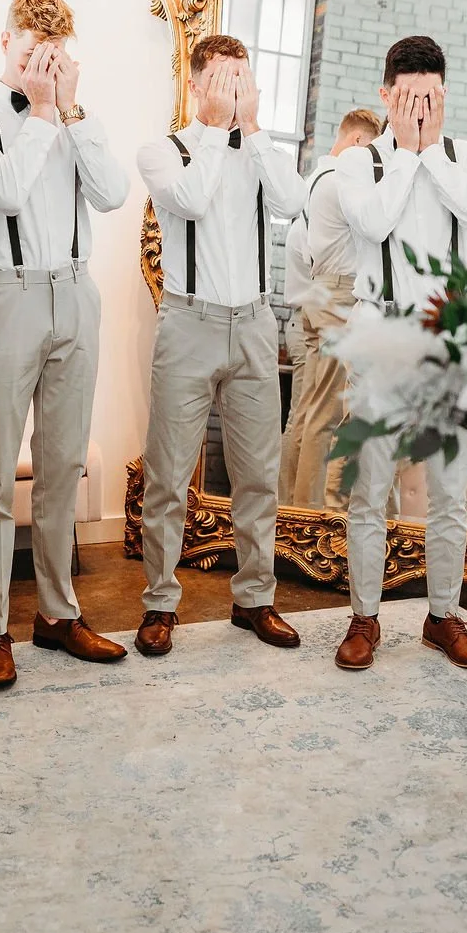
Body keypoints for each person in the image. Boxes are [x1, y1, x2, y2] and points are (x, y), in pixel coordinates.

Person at [0, 0, 129, 690]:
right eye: (29, 54)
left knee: (61, 468)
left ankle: (57, 613)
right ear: (5, 43)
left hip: (75, 293)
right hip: (7, 295)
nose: (39, 69)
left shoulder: (75, 116)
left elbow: (110, 194)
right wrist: (44, 114)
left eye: (52, 58)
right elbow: (9, 190)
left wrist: (71, 114)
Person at [132, 34, 307, 657]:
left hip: (257, 325)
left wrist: (253, 129)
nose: (236, 92)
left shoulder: (262, 150)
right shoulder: (164, 151)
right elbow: (190, 199)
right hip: (188, 324)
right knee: (170, 475)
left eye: (245, 79)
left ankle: (255, 598)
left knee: (258, 473)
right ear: (198, 85)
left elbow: (294, 202)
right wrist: (212, 129)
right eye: (225, 80)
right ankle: (159, 603)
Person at [331, 35, 467, 672]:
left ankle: (444, 617)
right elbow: (372, 224)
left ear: (445, 93)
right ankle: (364, 617)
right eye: (408, 97)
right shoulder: (359, 163)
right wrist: (405, 153)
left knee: (450, 489)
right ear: (386, 95)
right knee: (371, 487)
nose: (421, 108)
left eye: (431, 96)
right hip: (381, 334)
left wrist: (431, 154)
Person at [278, 107, 383, 509]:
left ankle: (290, 510)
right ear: (357, 141)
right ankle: (309, 516)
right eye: (371, 152)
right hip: (338, 297)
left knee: (306, 413)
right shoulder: (341, 182)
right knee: (326, 414)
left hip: (316, 294)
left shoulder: (314, 181)